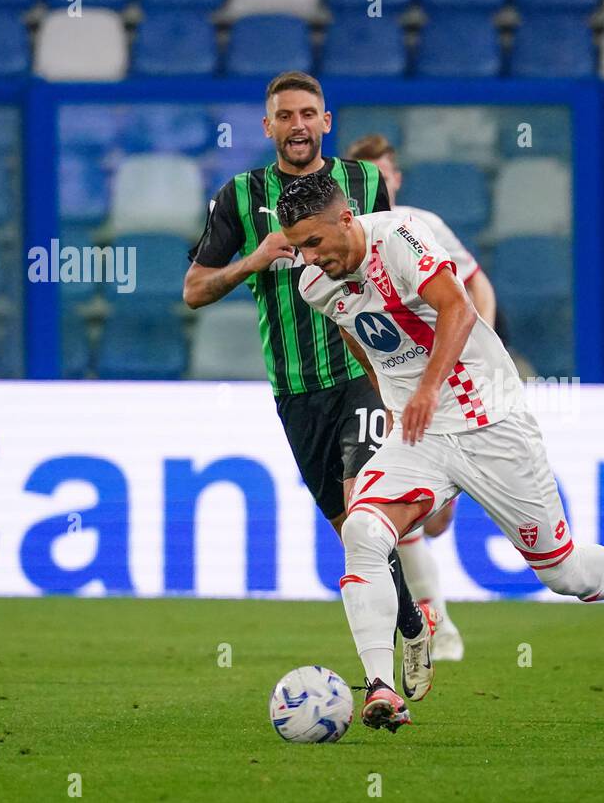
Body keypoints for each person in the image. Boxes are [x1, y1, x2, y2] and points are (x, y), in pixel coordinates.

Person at [276, 170, 604, 732]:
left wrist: (428, 389)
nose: (309, 259)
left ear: (347, 219)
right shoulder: (313, 283)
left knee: (562, 574)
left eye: (315, 242)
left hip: (491, 422)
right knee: (363, 532)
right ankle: (381, 688)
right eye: (297, 248)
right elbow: (353, 330)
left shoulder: (402, 236)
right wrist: (392, 397)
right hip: (420, 435)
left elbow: (458, 309)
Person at [183, 72, 435, 701]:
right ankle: (409, 620)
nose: (297, 125)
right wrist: (253, 260)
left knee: (360, 513)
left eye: (308, 113)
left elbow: (396, 265)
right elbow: (193, 290)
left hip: (363, 371)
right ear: (267, 127)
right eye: (284, 116)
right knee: (346, 526)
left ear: (328, 121)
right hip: (295, 391)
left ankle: (378, 686)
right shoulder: (240, 196)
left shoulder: (365, 183)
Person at [343, 132, 506, 662]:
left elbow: (475, 287)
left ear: (397, 178)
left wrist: (479, 348)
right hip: (385, 383)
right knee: (382, 507)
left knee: (434, 520)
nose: (381, 183)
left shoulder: (420, 226)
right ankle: (436, 624)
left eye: (386, 173)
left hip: (451, 382)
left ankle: (430, 617)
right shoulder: (342, 244)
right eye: (369, 176)